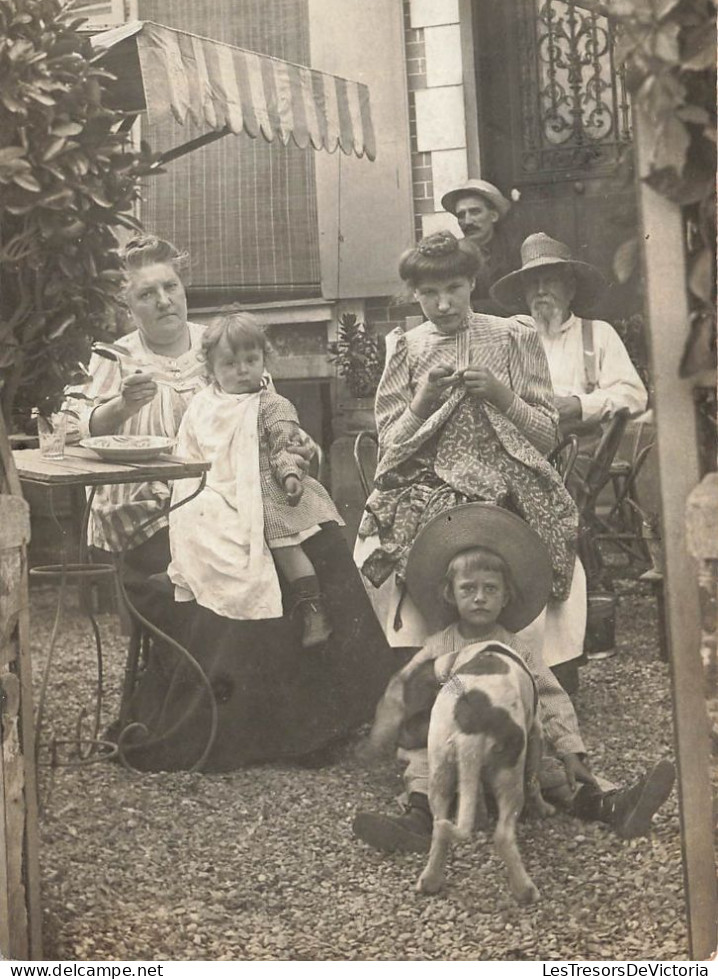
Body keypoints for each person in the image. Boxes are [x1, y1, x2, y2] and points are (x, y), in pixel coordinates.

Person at [66, 234, 394, 769]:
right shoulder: (114, 358)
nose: (164, 300)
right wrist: (118, 408)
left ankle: (329, 719)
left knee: (327, 547)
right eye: (147, 294)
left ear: (184, 285)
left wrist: (297, 443)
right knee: (228, 566)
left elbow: (267, 413)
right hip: (152, 514)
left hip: (241, 495)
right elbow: (71, 430)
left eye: (170, 286)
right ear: (127, 304)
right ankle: (230, 733)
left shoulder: (218, 343)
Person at [353, 504, 675, 853]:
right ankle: (418, 821)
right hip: (455, 751)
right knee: (424, 763)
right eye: (469, 589)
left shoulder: (515, 647)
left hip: (510, 756)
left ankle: (613, 804)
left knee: (558, 773)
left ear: (506, 596)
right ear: (451, 594)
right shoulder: (439, 645)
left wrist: (570, 749)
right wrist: (383, 732)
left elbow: (549, 695)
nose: (479, 597)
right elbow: (406, 683)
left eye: (490, 589)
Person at [353, 230, 586, 679]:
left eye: (454, 289)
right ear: (415, 294)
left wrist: (503, 396)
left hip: (510, 472)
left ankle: (531, 664)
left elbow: (545, 437)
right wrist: (421, 401)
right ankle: (432, 664)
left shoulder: (512, 336)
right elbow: (390, 450)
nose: (443, 304)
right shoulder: (407, 347)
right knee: (391, 536)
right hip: (429, 476)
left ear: (472, 284)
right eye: (429, 293)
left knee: (534, 528)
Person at [168, 309, 342, 647]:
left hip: (267, 483)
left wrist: (290, 473)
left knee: (281, 538)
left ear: (265, 358)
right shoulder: (204, 405)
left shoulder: (271, 404)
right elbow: (188, 447)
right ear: (211, 370)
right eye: (231, 364)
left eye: (252, 359)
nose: (243, 370)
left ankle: (313, 607)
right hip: (216, 486)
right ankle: (197, 582)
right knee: (192, 520)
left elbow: (285, 443)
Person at [490, 232, 648, 435]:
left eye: (550, 281)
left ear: (570, 289)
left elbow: (634, 397)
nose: (540, 291)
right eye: (532, 283)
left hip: (584, 454)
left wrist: (579, 405)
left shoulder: (599, 334)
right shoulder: (512, 339)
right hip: (525, 450)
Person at [440, 178, 511, 310]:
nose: (467, 221)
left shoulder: (514, 251)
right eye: (461, 215)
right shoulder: (451, 255)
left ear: (494, 216)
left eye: (475, 212)